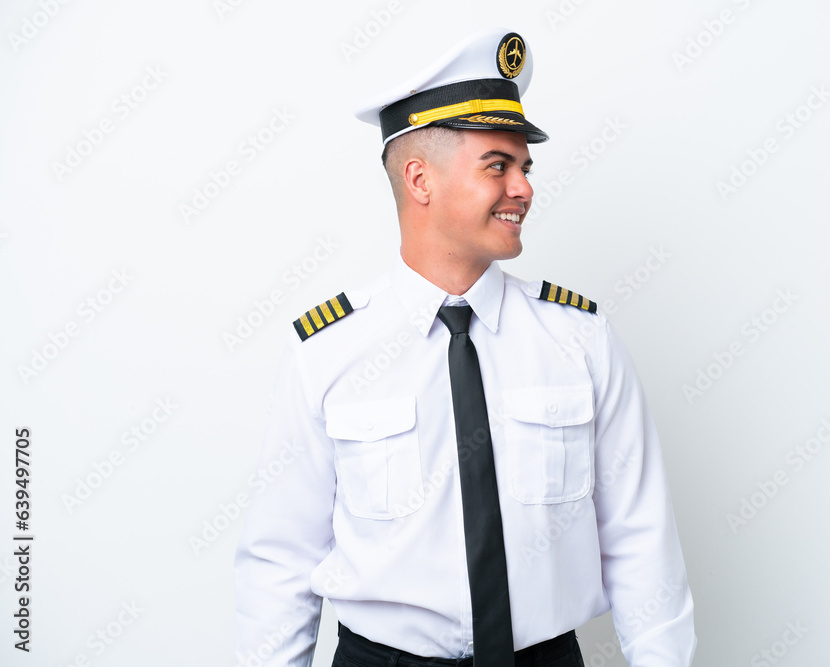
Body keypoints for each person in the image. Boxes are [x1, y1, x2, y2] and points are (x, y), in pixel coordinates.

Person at [234, 27, 695, 667]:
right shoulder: (329, 352)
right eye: (497, 166)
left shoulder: (580, 337)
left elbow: (642, 541)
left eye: (525, 167)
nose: (524, 188)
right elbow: (281, 562)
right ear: (420, 179)